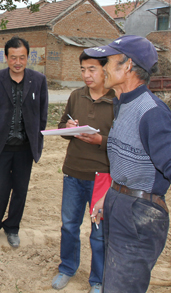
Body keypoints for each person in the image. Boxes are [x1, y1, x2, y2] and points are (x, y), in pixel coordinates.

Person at [85, 35, 171, 293]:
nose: (103, 67)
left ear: (127, 66)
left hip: (139, 216)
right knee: (112, 283)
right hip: (120, 204)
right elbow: (129, 161)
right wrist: (109, 195)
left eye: (107, 61)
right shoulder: (122, 104)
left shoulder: (152, 112)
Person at [51, 52, 115, 293]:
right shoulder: (76, 95)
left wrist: (100, 139)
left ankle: (98, 280)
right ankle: (67, 268)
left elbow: (123, 143)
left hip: (102, 177)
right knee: (69, 225)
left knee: (99, 233)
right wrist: (67, 129)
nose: (86, 75)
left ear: (105, 70)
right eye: (82, 70)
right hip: (73, 172)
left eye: (92, 69)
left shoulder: (116, 100)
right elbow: (61, 127)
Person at [0, 37, 48, 248]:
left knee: (20, 189)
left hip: (25, 147)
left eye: (22, 57)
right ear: (6, 57)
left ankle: (13, 227)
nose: (18, 62)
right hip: (1, 146)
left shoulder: (38, 80)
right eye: (13, 57)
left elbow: (42, 114)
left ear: (28, 57)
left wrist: (38, 141)